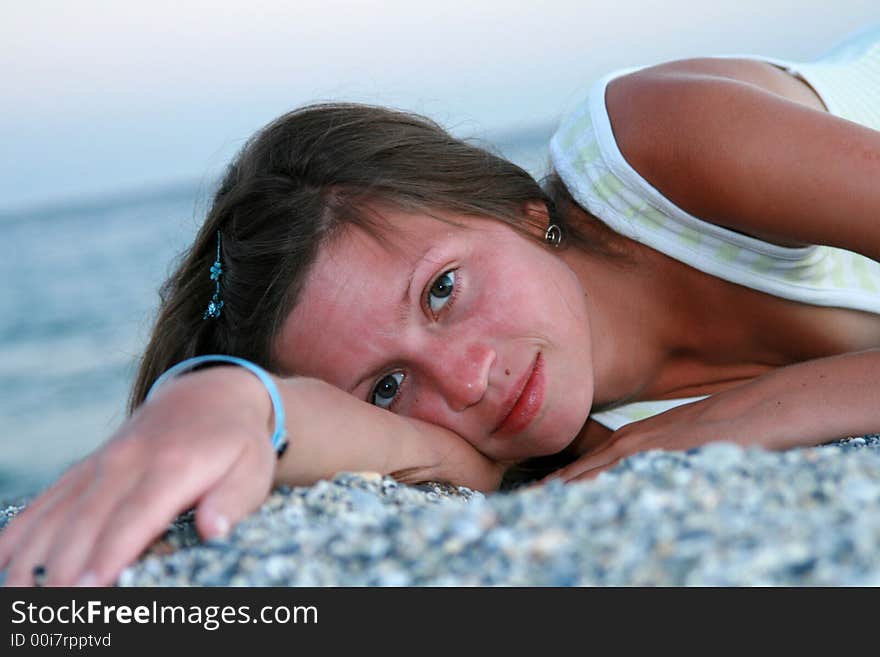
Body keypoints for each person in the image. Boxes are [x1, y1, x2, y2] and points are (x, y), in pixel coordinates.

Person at [2, 26, 879, 588]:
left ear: (516, 206)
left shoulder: (656, 149)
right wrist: (223, 398)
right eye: (387, 385)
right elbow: (332, 434)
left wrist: (723, 421)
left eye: (442, 289)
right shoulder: (527, 443)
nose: (464, 379)